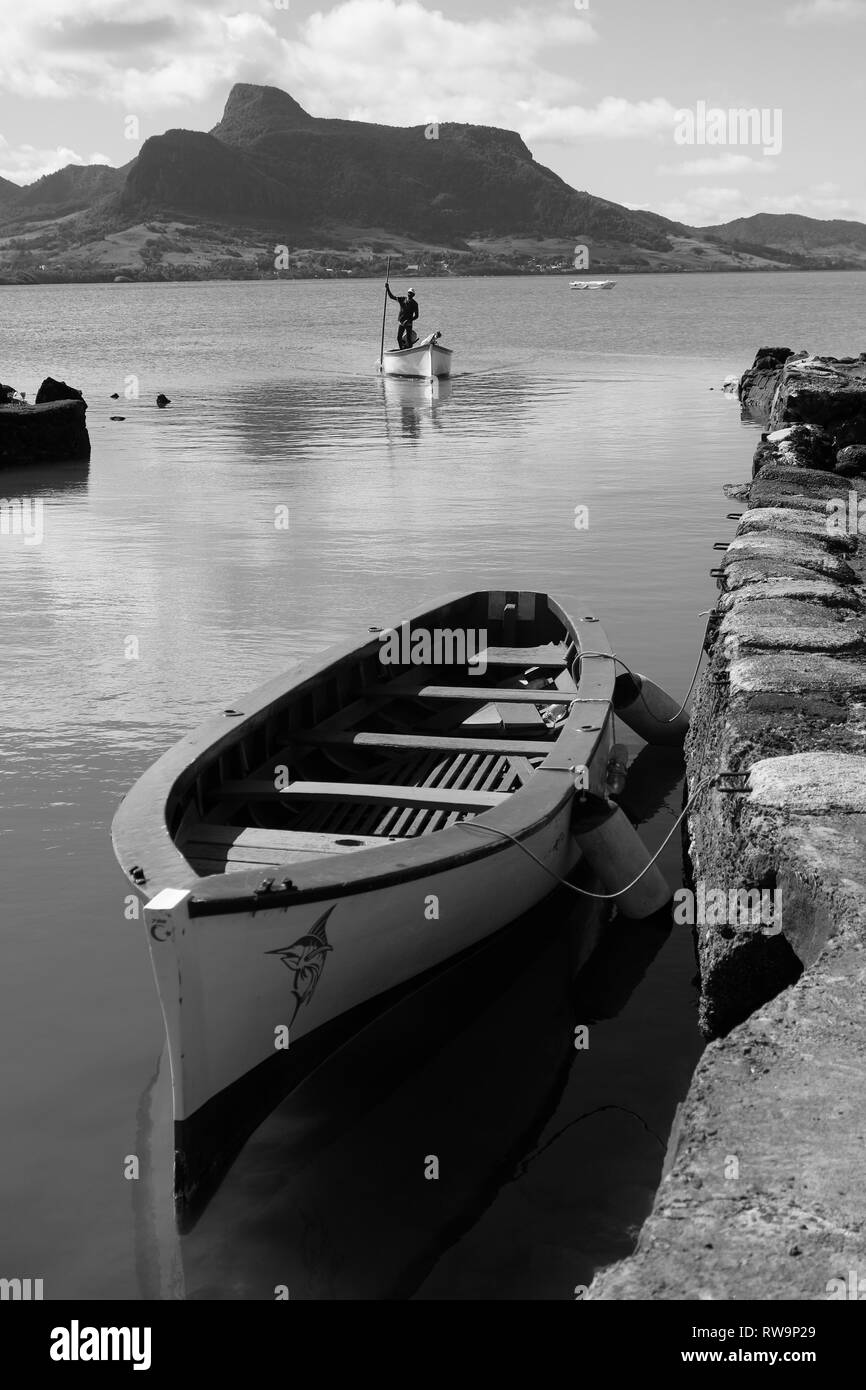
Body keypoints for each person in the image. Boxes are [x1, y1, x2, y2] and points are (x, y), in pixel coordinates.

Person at [386, 283, 419, 350]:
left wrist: (409, 320)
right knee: (399, 337)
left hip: (408, 323)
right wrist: (387, 288)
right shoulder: (402, 299)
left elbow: (416, 316)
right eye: (409, 292)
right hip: (401, 322)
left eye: (411, 293)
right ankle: (402, 349)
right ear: (407, 293)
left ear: (413, 295)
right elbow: (391, 297)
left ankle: (410, 350)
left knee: (409, 338)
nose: (410, 294)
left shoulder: (415, 304)